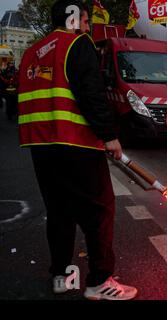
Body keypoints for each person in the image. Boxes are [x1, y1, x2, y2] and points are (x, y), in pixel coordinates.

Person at [17, 0, 137, 300]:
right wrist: (109, 135)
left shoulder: (33, 51)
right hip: (76, 144)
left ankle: (61, 276)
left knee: (60, 212)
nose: (87, 27)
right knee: (100, 211)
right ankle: (99, 281)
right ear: (75, 19)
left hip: (41, 146)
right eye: (86, 21)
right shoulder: (77, 44)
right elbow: (90, 93)